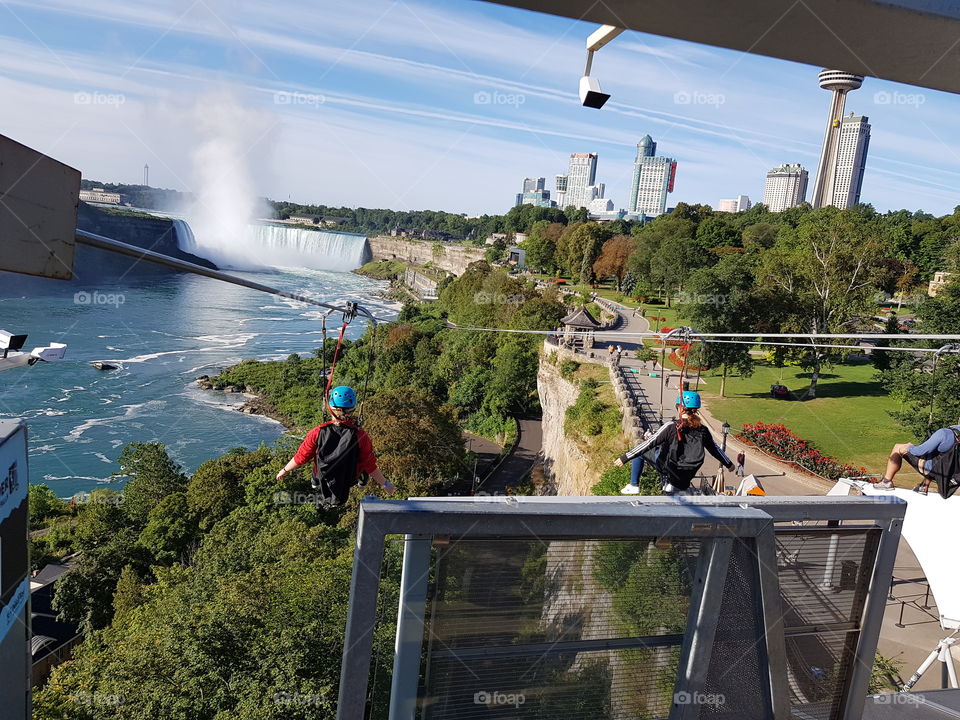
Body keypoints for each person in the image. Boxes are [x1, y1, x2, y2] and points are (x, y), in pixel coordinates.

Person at [276, 385, 395, 506]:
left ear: (330, 408)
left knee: (316, 460)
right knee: (363, 464)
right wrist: (385, 484)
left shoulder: (317, 432)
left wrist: (284, 470)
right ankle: (362, 481)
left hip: (323, 475)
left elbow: (301, 457)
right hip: (349, 478)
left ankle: (315, 480)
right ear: (352, 409)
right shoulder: (360, 436)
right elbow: (370, 464)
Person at [616, 391, 734, 496]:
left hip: (669, 467)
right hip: (687, 473)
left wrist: (625, 457)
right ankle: (670, 483)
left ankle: (633, 485)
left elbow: (649, 443)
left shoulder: (671, 427)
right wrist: (729, 464)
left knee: (643, 453)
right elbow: (715, 449)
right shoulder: (703, 430)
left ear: (680, 408)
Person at [873, 425, 960, 496]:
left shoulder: (945, 433)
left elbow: (920, 451)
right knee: (936, 455)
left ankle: (886, 482)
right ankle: (924, 486)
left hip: (931, 471)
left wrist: (909, 446)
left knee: (898, 447)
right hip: (948, 475)